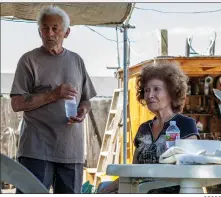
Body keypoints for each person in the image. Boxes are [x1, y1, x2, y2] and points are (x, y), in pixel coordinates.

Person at [10, 6, 97, 194]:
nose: (49, 33)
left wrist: (83, 111)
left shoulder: (77, 61)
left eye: (55, 28)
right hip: (36, 150)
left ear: (66, 32)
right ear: (39, 31)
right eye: (44, 28)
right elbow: (16, 103)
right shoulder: (28, 60)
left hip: (71, 150)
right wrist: (53, 95)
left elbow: (86, 100)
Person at [99, 61, 199, 194]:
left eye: (156, 89)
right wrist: (106, 189)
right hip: (141, 190)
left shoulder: (185, 125)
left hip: (172, 192)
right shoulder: (143, 129)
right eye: (146, 90)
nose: (150, 95)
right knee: (102, 187)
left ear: (172, 93)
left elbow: (191, 169)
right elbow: (134, 170)